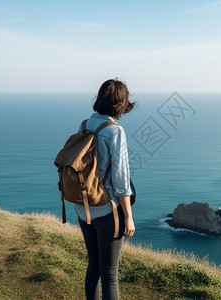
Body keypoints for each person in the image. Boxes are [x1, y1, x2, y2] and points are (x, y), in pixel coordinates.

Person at [75, 78, 135, 300]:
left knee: (94, 266)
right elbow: (121, 182)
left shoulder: (85, 125)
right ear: (119, 104)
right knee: (110, 274)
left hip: (83, 208)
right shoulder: (115, 131)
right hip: (106, 210)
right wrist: (128, 217)